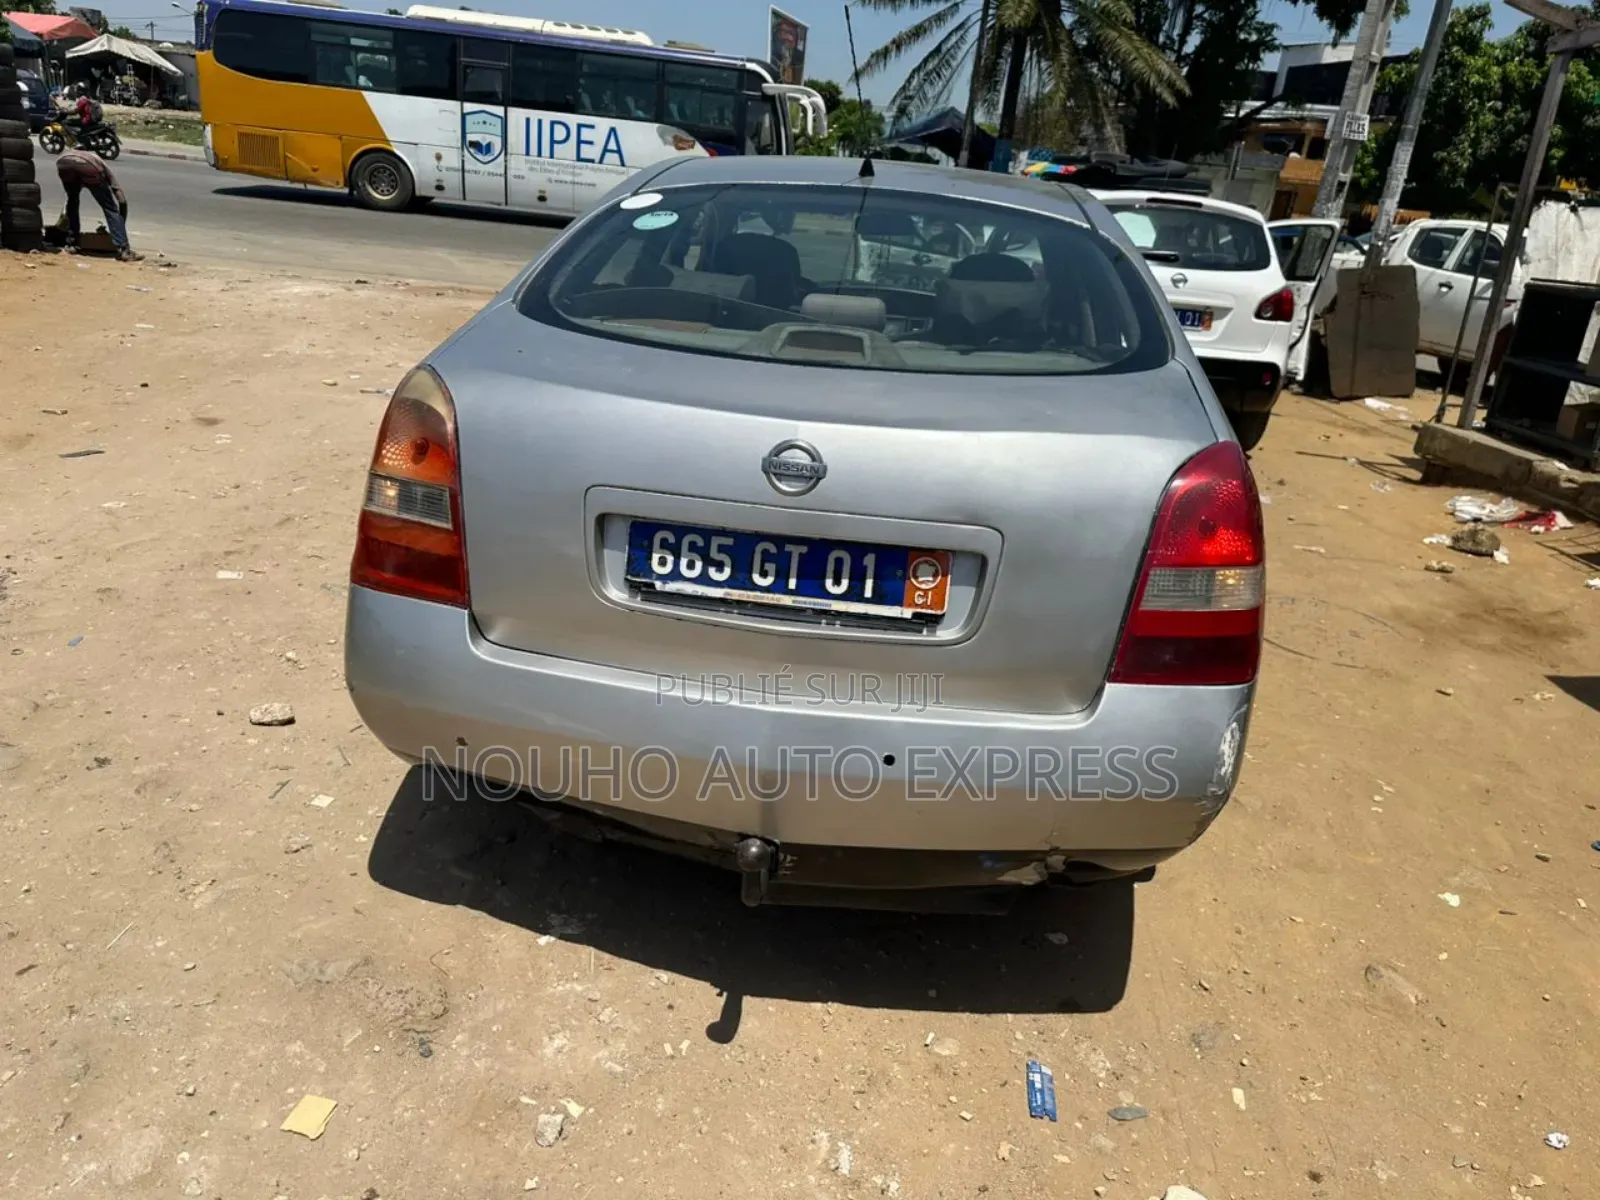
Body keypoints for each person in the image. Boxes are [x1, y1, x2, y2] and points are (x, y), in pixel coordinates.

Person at [55, 148, 142, 262]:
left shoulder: (73, 154)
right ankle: (124, 250)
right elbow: (121, 200)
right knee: (110, 208)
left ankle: (72, 244)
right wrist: (120, 222)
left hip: (63, 163)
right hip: (89, 168)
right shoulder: (102, 167)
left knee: (72, 201)